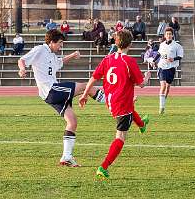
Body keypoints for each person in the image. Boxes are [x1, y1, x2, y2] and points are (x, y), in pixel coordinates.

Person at [17, 29, 105, 167]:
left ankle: (66, 157)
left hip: (52, 93)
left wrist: (73, 55)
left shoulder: (51, 55)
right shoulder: (40, 50)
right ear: (51, 42)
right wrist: (22, 69)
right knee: (84, 86)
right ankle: (112, 102)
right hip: (52, 90)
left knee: (72, 122)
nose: (60, 46)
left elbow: (59, 62)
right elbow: (22, 60)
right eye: (59, 43)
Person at [78, 30, 151, 180]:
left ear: (116, 43)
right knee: (120, 137)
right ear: (130, 44)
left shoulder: (108, 59)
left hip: (111, 101)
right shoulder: (129, 61)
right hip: (121, 103)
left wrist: (85, 94)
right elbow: (141, 84)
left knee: (130, 107)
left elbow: (93, 78)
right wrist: (147, 77)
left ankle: (142, 124)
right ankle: (103, 166)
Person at [156, 27, 183, 114]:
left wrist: (173, 59)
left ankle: (163, 102)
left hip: (171, 68)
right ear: (165, 35)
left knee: (167, 87)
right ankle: (161, 107)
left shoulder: (177, 45)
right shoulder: (162, 44)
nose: (168, 35)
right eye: (167, 34)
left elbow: (180, 56)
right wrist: (153, 61)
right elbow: (159, 54)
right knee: (163, 85)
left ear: (172, 35)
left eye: (170, 34)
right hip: (162, 67)